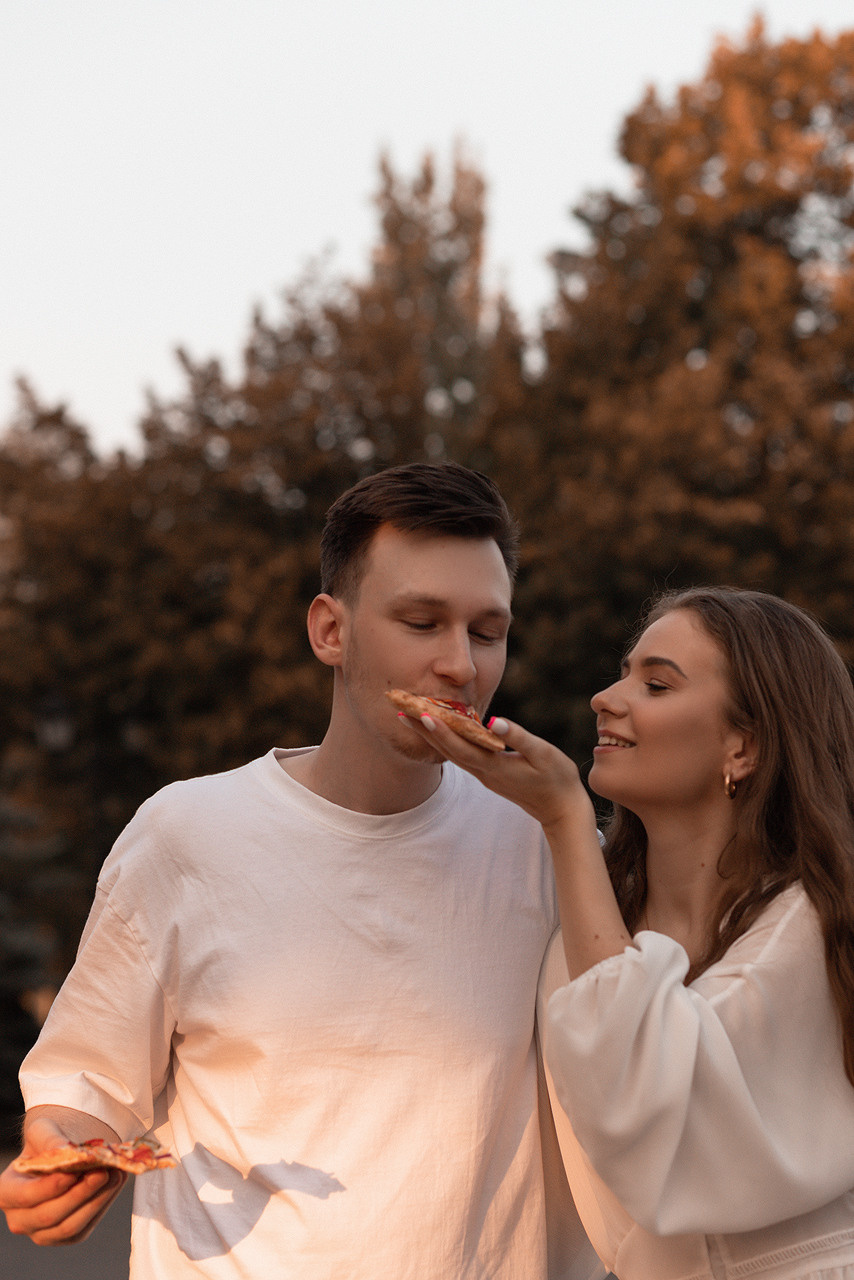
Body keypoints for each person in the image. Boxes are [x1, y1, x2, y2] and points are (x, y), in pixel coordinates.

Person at [0, 461, 603, 1280]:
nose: (461, 666)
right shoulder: (187, 835)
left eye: (487, 631)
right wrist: (62, 1149)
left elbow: (630, 1069)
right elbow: (86, 1081)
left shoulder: (542, 839)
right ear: (330, 630)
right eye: (421, 622)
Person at [400, 586, 854, 1279]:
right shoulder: (578, 931)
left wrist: (565, 821)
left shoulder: (811, 925)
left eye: (656, 683)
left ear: (745, 745)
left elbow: (638, 1096)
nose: (605, 698)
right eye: (623, 671)